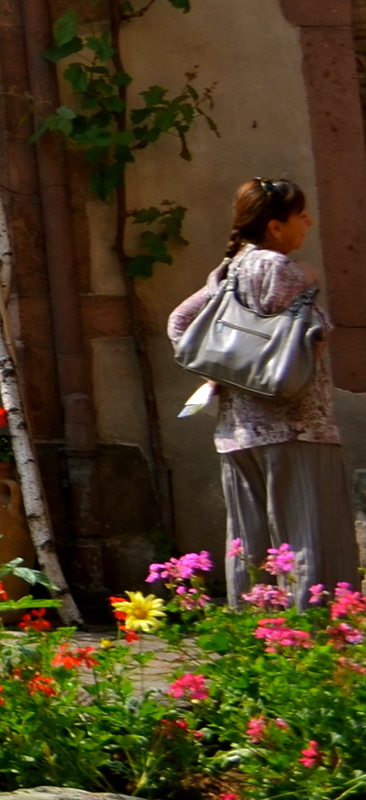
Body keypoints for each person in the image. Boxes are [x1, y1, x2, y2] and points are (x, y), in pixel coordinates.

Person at [167, 176, 358, 606]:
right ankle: (312, 641)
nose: (308, 221)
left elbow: (179, 324)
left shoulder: (229, 269)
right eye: (299, 214)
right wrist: (308, 282)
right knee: (309, 536)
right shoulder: (281, 270)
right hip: (297, 427)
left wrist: (227, 372)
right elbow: (315, 335)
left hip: (238, 432)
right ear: (275, 226)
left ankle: (255, 638)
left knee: (251, 544)